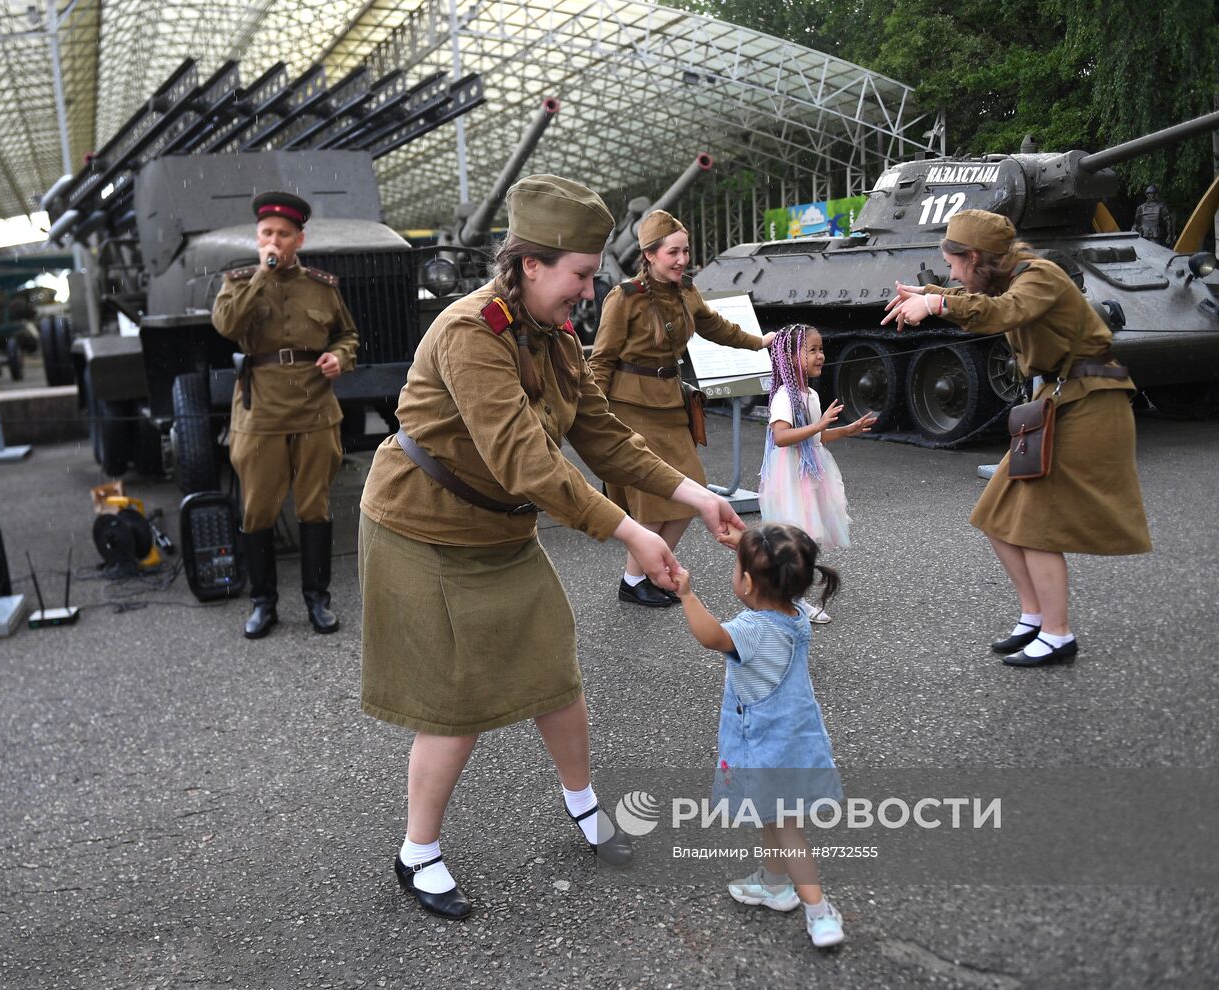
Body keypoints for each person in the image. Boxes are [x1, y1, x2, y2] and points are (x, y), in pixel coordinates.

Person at [358, 175, 746, 920]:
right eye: (579, 273)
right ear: (531, 264)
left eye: (594, 273)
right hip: (425, 528)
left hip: (499, 526)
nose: (589, 288)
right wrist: (630, 530)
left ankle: (583, 805)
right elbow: (526, 464)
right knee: (455, 700)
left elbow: (603, 435)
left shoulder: (555, 333)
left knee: (554, 670)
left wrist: (696, 496)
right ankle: (418, 853)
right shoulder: (473, 332)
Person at [882, 209, 1151, 667]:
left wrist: (937, 306)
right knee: (996, 513)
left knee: (1036, 524)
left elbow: (1001, 311)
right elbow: (979, 298)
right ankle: (1034, 616)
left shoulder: (1039, 277)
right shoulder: (1007, 278)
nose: (951, 274)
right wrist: (928, 294)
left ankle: (1058, 633)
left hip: (1089, 403)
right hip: (1056, 403)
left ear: (973, 257)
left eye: (953, 265)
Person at [672, 523, 847, 949]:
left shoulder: (752, 630)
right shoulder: (796, 612)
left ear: (748, 581)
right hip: (799, 737)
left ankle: (819, 911)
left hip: (767, 745)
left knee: (787, 827)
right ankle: (773, 883)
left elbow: (712, 636)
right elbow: (779, 570)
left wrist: (687, 595)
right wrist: (747, 546)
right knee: (773, 816)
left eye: (738, 566)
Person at [590, 209, 776, 608]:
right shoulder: (625, 298)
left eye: (685, 251)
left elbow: (715, 326)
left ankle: (651, 574)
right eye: (673, 252)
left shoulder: (686, 292)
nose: (681, 259)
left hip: (670, 402)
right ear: (650, 254)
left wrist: (760, 342)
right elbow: (602, 360)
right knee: (652, 502)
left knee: (691, 494)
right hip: (631, 405)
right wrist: (596, 418)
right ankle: (636, 579)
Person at [211, 191, 359, 640]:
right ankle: (263, 602)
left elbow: (348, 334)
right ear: (257, 238)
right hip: (261, 412)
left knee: (315, 507)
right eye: (265, 234)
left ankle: (318, 599)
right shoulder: (237, 281)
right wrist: (261, 274)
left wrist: (340, 357)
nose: (273, 240)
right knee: (257, 510)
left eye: (282, 234)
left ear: (299, 239)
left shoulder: (321, 285)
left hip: (315, 407)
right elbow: (227, 326)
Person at [759, 324, 876, 622]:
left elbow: (815, 439)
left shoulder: (808, 393)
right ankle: (791, 601)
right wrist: (820, 425)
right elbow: (782, 437)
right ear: (789, 356)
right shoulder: (786, 395)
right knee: (795, 540)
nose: (820, 355)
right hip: (790, 475)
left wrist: (846, 430)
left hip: (810, 472)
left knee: (806, 541)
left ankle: (786, 598)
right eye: (811, 350)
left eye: (820, 349)